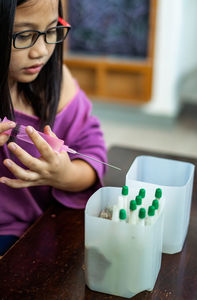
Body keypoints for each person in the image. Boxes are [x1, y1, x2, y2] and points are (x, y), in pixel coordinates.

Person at [0, 0, 107, 256]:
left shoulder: (57, 81)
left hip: (46, 225)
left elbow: (93, 151)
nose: (42, 51)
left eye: (50, 31)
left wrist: (66, 175)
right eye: (24, 35)